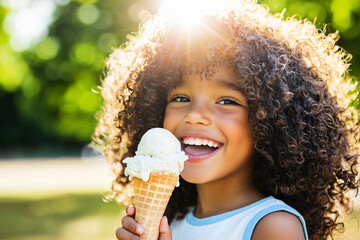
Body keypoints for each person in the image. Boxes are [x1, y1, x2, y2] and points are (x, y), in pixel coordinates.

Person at [93, 0, 360, 239]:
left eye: (227, 101)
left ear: (271, 123)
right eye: (181, 98)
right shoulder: (170, 223)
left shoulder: (274, 227)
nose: (195, 115)